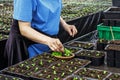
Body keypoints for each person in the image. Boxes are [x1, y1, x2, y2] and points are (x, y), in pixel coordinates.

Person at [4, 0, 78, 66]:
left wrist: (64, 25)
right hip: (30, 47)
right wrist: (49, 40)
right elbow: (24, 29)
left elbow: (49, 10)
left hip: (47, 45)